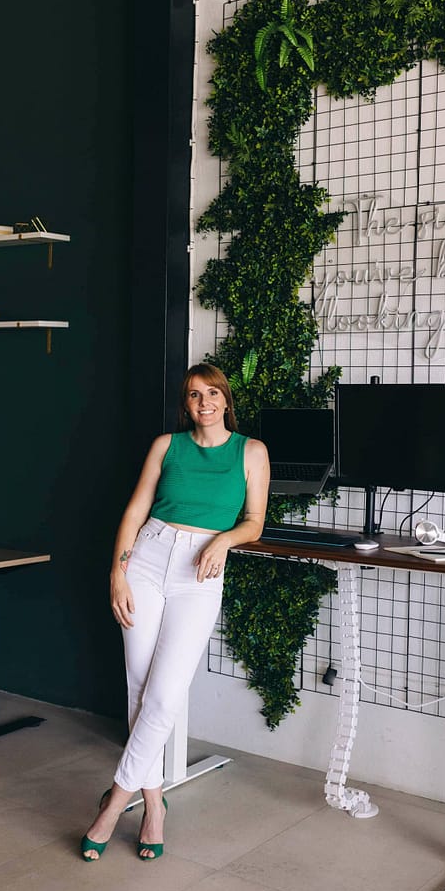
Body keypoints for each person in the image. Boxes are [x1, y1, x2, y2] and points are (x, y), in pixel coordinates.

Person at [81, 363, 270, 861]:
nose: (203, 402)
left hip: (200, 572)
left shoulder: (251, 452)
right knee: (140, 689)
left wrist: (224, 540)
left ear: (226, 400)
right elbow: (135, 510)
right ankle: (153, 804)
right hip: (146, 559)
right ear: (184, 404)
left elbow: (254, 521)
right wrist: (118, 572)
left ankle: (113, 801)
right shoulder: (167, 446)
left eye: (212, 393)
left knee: (164, 696)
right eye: (193, 395)